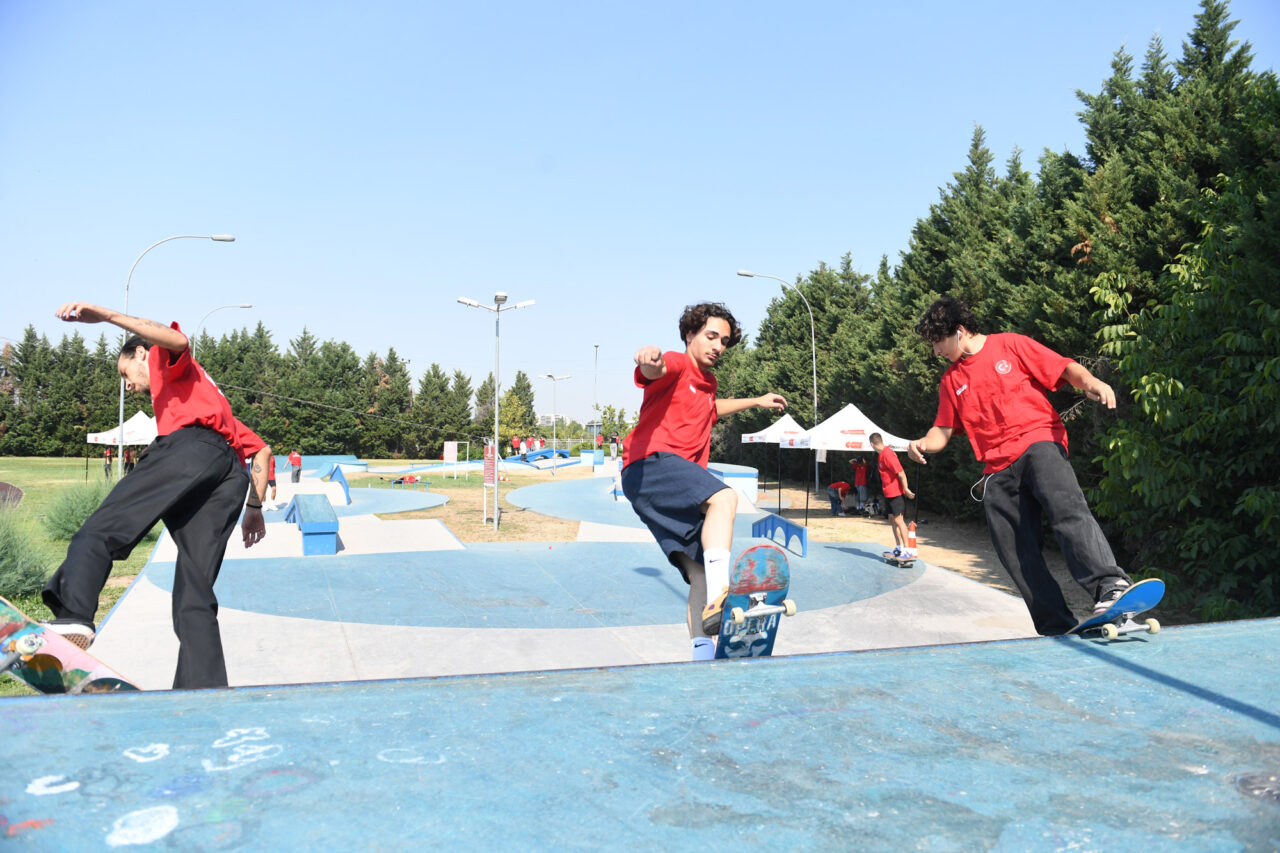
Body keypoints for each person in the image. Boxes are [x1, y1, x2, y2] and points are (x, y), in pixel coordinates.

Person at [41, 301, 271, 689]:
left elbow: (177, 340)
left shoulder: (163, 358)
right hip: (229, 476)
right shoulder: (210, 397)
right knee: (194, 594)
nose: (127, 385)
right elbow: (260, 449)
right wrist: (254, 506)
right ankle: (202, 690)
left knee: (101, 530)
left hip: (190, 452)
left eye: (125, 372)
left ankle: (73, 616)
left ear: (141, 353)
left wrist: (107, 317)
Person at [906, 296, 1134, 635]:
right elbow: (942, 430)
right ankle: (1056, 624)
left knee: (1067, 512)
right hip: (996, 469)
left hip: (1039, 442)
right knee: (1013, 549)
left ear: (959, 331)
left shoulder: (1010, 345)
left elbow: (1063, 367)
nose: (936, 351)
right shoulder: (951, 380)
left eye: (938, 342)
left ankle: (1110, 587)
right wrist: (922, 443)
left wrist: (1092, 383)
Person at [621, 302, 787, 662]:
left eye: (724, 341)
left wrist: (756, 402)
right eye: (711, 336)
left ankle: (702, 654)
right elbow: (656, 369)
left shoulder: (706, 385)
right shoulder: (678, 365)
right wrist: (649, 360)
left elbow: (712, 407)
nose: (718, 346)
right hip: (652, 463)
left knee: (699, 573)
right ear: (690, 335)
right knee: (725, 498)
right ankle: (721, 595)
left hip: (650, 483)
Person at [871, 433, 915, 558]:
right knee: (892, 519)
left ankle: (907, 551)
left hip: (896, 493)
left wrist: (906, 489)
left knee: (899, 520)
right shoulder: (881, 455)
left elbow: (901, 473)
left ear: (872, 444)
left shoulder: (888, 454)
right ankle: (899, 548)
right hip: (888, 493)